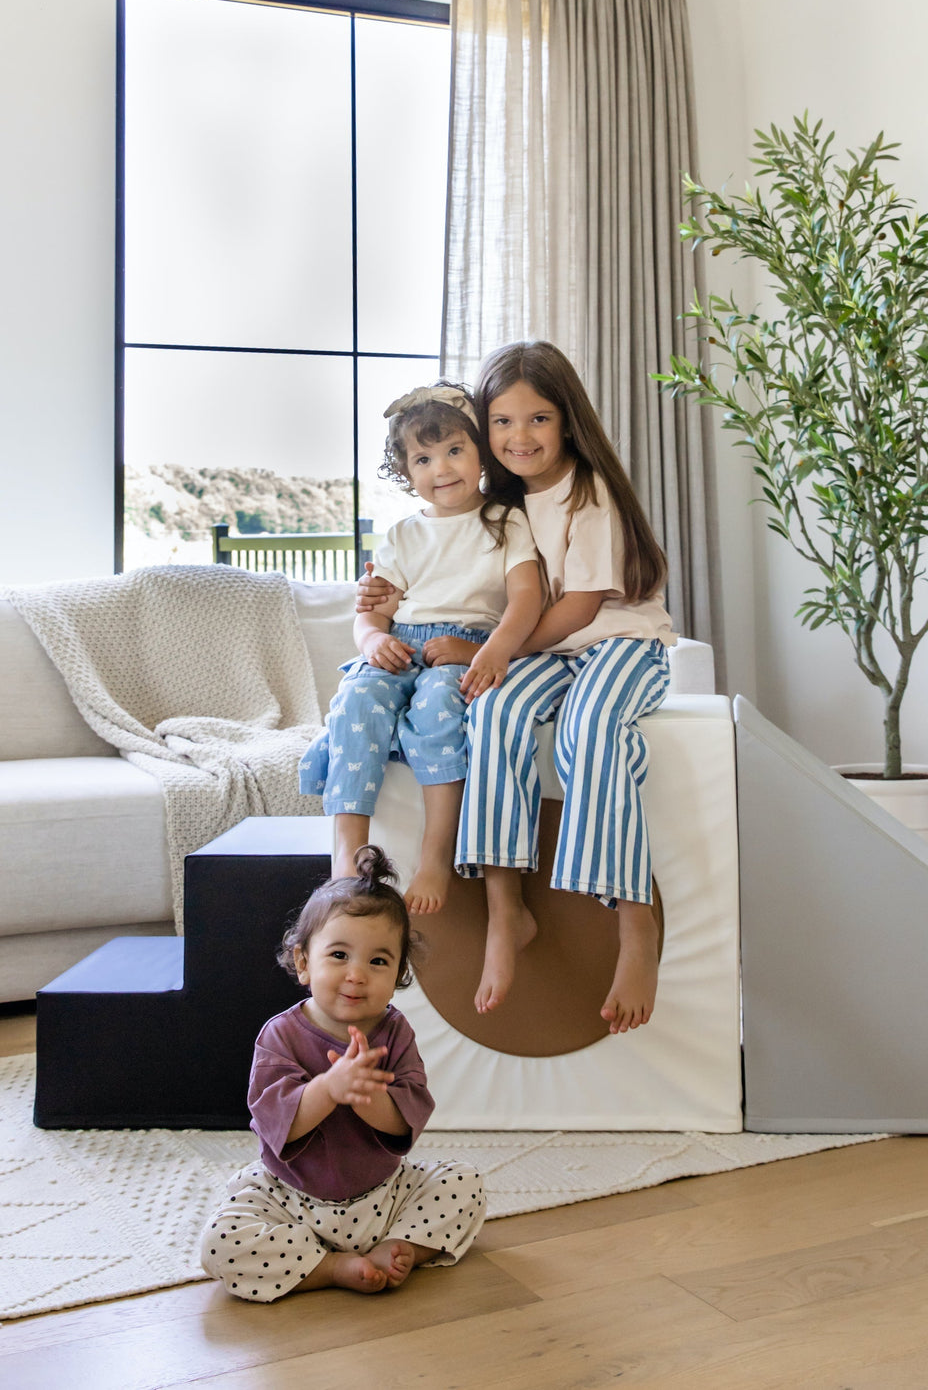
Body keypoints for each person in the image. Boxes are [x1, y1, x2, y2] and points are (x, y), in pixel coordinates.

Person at [358, 341, 675, 1035]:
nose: (518, 437)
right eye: (502, 422)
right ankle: (508, 910)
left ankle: (634, 920)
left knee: (590, 728)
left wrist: (485, 648)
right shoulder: (494, 505)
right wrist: (384, 597)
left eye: (536, 419)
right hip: (542, 653)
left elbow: (580, 610)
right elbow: (440, 569)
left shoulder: (589, 497)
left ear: (567, 422)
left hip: (616, 642)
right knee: (492, 710)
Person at [200, 845, 486, 1301]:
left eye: (378, 961)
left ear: (398, 975)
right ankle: (330, 1268)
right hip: (291, 1199)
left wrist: (369, 1097)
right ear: (302, 963)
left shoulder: (395, 1032)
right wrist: (331, 1088)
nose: (357, 974)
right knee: (221, 1244)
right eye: (338, 955)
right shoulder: (280, 1036)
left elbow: (407, 1118)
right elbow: (280, 1125)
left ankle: (399, 1247)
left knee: (464, 1182)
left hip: (384, 1194)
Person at [299, 382, 542, 914]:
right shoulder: (403, 535)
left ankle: (436, 855)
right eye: (423, 459)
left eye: (455, 450)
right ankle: (347, 854)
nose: (442, 468)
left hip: (465, 645)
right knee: (357, 701)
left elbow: (528, 598)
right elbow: (371, 613)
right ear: (408, 474)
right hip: (400, 647)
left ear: (480, 452)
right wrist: (375, 639)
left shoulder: (505, 522)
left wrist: (489, 651)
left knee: (437, 707)